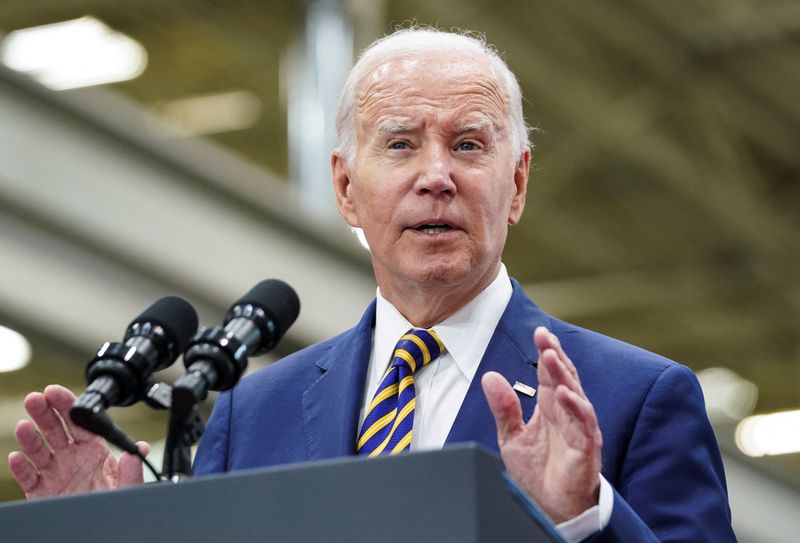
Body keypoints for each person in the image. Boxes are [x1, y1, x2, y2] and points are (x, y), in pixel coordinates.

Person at [8, 28, 736, 542]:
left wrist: (583, 519)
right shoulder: (247, 416)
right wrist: (111, 536)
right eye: (400, 143)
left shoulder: (636, 398)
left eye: (469, 144)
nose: (436, 175)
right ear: (346, 188)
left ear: (516, 185)